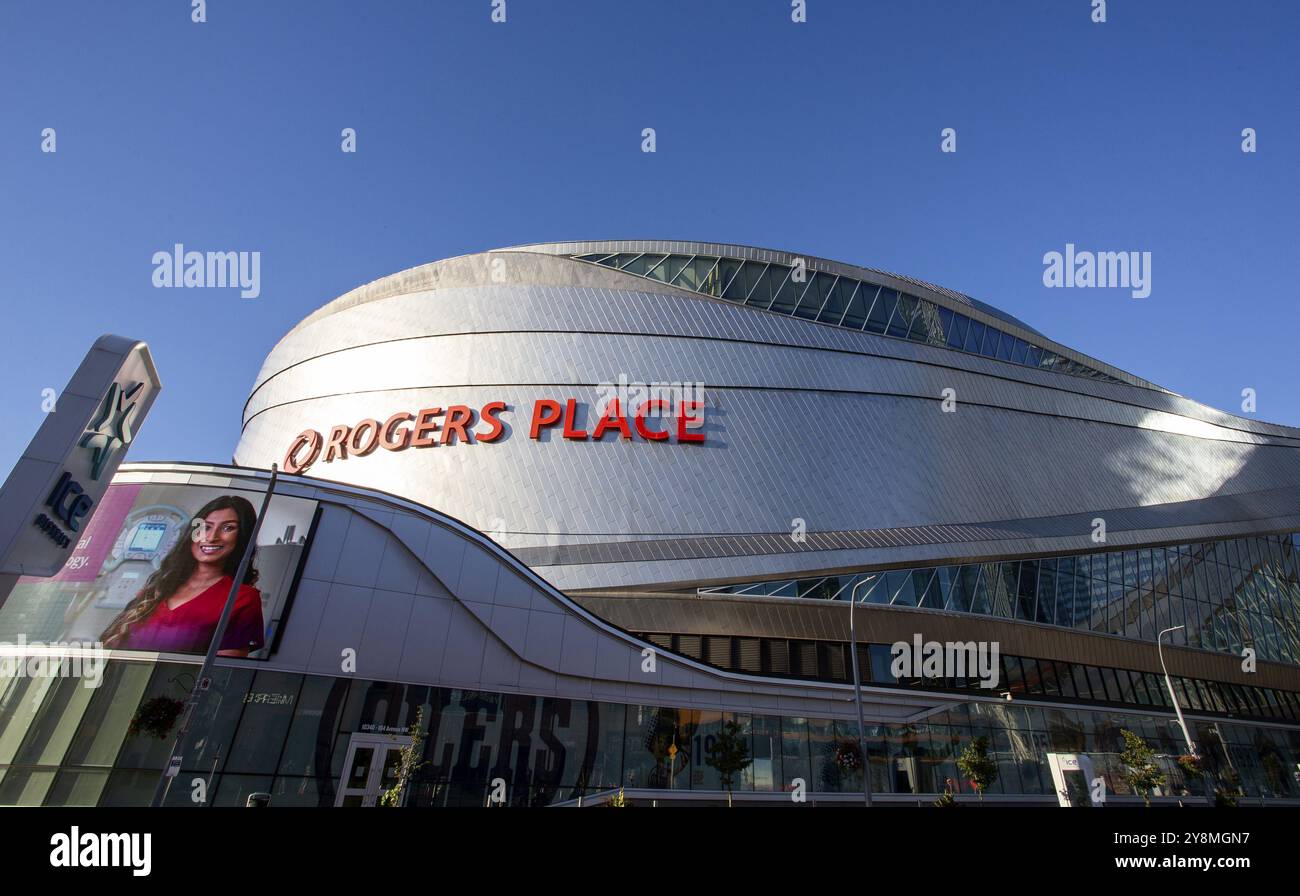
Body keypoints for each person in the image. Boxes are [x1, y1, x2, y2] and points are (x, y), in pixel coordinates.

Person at [101, 495, 265, 657]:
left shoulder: (242, 599)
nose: (211, 537)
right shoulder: (160, 585)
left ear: (243, 537)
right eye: (205, 527)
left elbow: (222, 674)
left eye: (227, 528)